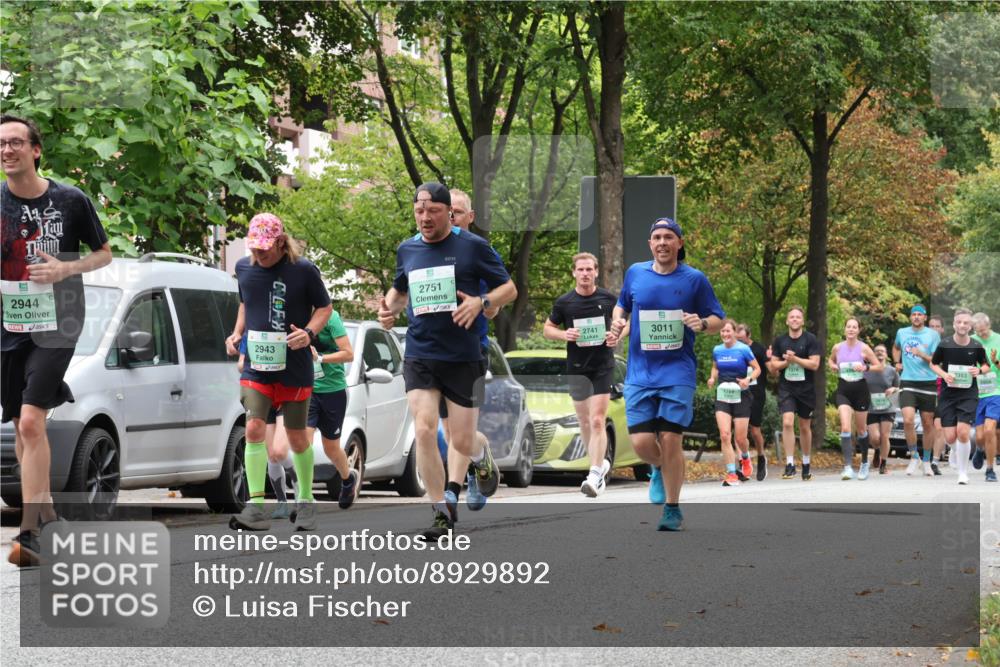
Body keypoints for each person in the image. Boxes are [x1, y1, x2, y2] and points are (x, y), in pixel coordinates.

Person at [2, 115, 112, 567]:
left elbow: (104, 254)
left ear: (35, 150)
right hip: (8, 325)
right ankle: (47, 515)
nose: (7, 150)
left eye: (15, 142)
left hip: (59, 321)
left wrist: (66, 268)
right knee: (21, 425)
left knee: (31, 421)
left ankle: (29, 533)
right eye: (0, 144)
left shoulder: (70, 200)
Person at [379, 183, 516, 541]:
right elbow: (399, 290)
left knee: (462, 439)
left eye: (433, 211)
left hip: (464, 355)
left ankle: (481, 456)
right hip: (421, 353)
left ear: (449, 213)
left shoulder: (473, 247)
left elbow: (509, 289)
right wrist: (388, 309)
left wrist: (481, 302)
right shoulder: (408, 249)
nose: (425, 218)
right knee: (425, 429)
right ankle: (440, 512)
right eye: (419, 211)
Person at [610, 218, 724, 531]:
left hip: (677, 371)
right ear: (650, 243)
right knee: (641, 443)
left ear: (679, 243)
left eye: (669, 237)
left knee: (671, 438)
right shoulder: (636, 273)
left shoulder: (694, 279)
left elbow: (718, 319)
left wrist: (702, 323)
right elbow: (621, 306)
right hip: (640, 373)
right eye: (657, 237)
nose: (662, 242)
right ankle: (659, 467)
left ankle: (672, 509)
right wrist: (617, 321)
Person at [225, 213, 332, 531]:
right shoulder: (244, 268)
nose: (258, 254)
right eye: (254, 248)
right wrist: (236, 333)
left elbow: (325, 308)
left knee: (297, 438)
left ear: (281, 243)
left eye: (265, 249)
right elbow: (246, 303)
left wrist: (309, 334)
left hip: (294, 368)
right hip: (257, 367)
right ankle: (256, 507)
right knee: (254, 428)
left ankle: (306, 501)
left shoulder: (304, 270)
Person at [437, 188, 498, 515]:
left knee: (460, 432)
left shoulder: (478, 252)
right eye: (447, 212)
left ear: (470, 217)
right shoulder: (427, 250)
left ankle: (454, 490)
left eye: (457, 212)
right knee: (451, 434)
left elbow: (496, 306)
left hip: (471, 350)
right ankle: (478, 459)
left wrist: (481, 304)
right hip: (434, 353)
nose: (451, 217)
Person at [544, 252, 620, 496]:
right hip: (577, 368)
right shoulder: (564, 302)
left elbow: (625, 322)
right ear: (574, 273)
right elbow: (547, 329)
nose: (585, 273)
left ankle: (594, 474)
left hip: (602, 366)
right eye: (581, 269)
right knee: (584, 421)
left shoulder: (608, 299)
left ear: (596, 272)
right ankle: (599, 464)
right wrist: (564, 334)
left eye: (589, 269)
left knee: (597, 420)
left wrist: (616, 335)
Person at [238, 336, 296, 518]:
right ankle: (282, 504)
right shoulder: (251, 333)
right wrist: (256, 362)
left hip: (287, 393)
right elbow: (241, 365)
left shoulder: (286, 329)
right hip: (264, 394)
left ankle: (302, 495)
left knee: (280, 452)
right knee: (272, 455)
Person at [930, 308, 988, 485]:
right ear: (954, 324)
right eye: (959, 322)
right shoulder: (945, 344)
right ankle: (957, 451)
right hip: (948, 395)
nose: (962, 325)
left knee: (963, 432)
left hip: (968, 393)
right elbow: (933, 364)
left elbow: (986, 365)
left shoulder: (976, 345)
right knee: (949, 437)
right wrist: (944, 375)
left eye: (966, 323)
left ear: (971, 326)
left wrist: (979, 370)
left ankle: (963, 473)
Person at [307, 307, 356, 507]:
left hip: (333, 390)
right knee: (304, 444)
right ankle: (304, 497)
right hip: (308, 390)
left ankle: (347, 479)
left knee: (331, 448)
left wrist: (320, 358)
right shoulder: (297, 314)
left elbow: (349, 354)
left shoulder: (331, 317)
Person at [768, 306, 822, 481]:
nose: (795, 319)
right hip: (787, 388)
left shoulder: (810, 339)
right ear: (787, 321)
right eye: (792, 317)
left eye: (798, 317)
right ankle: (790, 464)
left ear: (802, 321)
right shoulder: (780, 340)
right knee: (787, 422)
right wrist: (786, 362)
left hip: (806, 389)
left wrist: (795, 359)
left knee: (804, 426)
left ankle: (806, 463)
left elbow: (815, 364)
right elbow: (773, 366)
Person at [706, 319, 761, 486]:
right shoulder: (717, 350)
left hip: (741, 395)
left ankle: (745, 457)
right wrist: (712, 377)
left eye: (728, 331)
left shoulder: (743, 349)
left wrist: (748, 379)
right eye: (722, 331)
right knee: (724, 435)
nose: (725, 334)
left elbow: (757, 369)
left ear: (735, 332)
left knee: (740, 438)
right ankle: (731, 473)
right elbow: (715, 367)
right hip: (723, 393)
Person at [828, 318, 882, 480]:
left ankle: (864, 463)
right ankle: (847, 467)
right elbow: (831, 359)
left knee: (861, 430)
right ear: (845, 329)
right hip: (843, 390)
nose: (851, 329)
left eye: (854, 327)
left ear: (859, 330)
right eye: (848, 327)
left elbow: (879, 366)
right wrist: (832, 365)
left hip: (860, 391)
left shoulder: (864, 348)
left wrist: (865, 367)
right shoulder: (837, 347)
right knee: (845, 427)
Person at [892, 304, 940, 476]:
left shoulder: (933, 335)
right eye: (914, 315)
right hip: (908, 381)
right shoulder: (902, 332)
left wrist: (922, 355)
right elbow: (896, 347)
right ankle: (914, 456)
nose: (917, 317)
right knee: (908, 420)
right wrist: (897, 362)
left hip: (928, 382)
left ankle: (926, 461)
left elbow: (937, 359)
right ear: (910, 317)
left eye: (920, 314)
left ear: (925, 318)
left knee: (927, 423)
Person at [736, 323, 770, 480]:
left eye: (741, 337)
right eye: (737, 337)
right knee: (739, 431)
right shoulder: (734, 350)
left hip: (756, 393)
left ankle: (761, 457)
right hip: (739, 393)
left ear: (748, 335)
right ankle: (742, 464)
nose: (739, 340)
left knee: (755, 431)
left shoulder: (758, 349)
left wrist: (772, 358)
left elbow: (771, 370)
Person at [971, 312, 999, 482]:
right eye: (977, 331)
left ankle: (990, 469)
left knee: (990, 430)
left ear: (989, 326)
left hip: (996, 391)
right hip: (976, 392)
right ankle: (980, 449)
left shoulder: (998, 340)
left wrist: (995, 361)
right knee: (980, 436)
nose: (981, 334)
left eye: (983, 330)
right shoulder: (971, 341)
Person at [864, 344, 900, 475]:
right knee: (875, 438)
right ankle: (877, 450)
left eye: (882, 351)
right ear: (872, 354)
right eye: (877, 351)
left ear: (886, 355)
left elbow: (899, 387)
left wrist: (893, 389)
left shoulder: (892, 371)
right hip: (871, 408)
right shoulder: (866, 370)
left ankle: (883, 464)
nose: (879, 353)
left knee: (885, 436)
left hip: (888, 407)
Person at [927, 314, 947, 474]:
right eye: (931, 326)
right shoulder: (923, 345)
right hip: (925, 388)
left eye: (937, 326)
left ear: (942, 329)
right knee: (928, 426)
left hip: (943, 391)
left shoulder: (948, 346)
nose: (934, 329)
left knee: (939, 427)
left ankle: (934, 462)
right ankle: (924, 458)